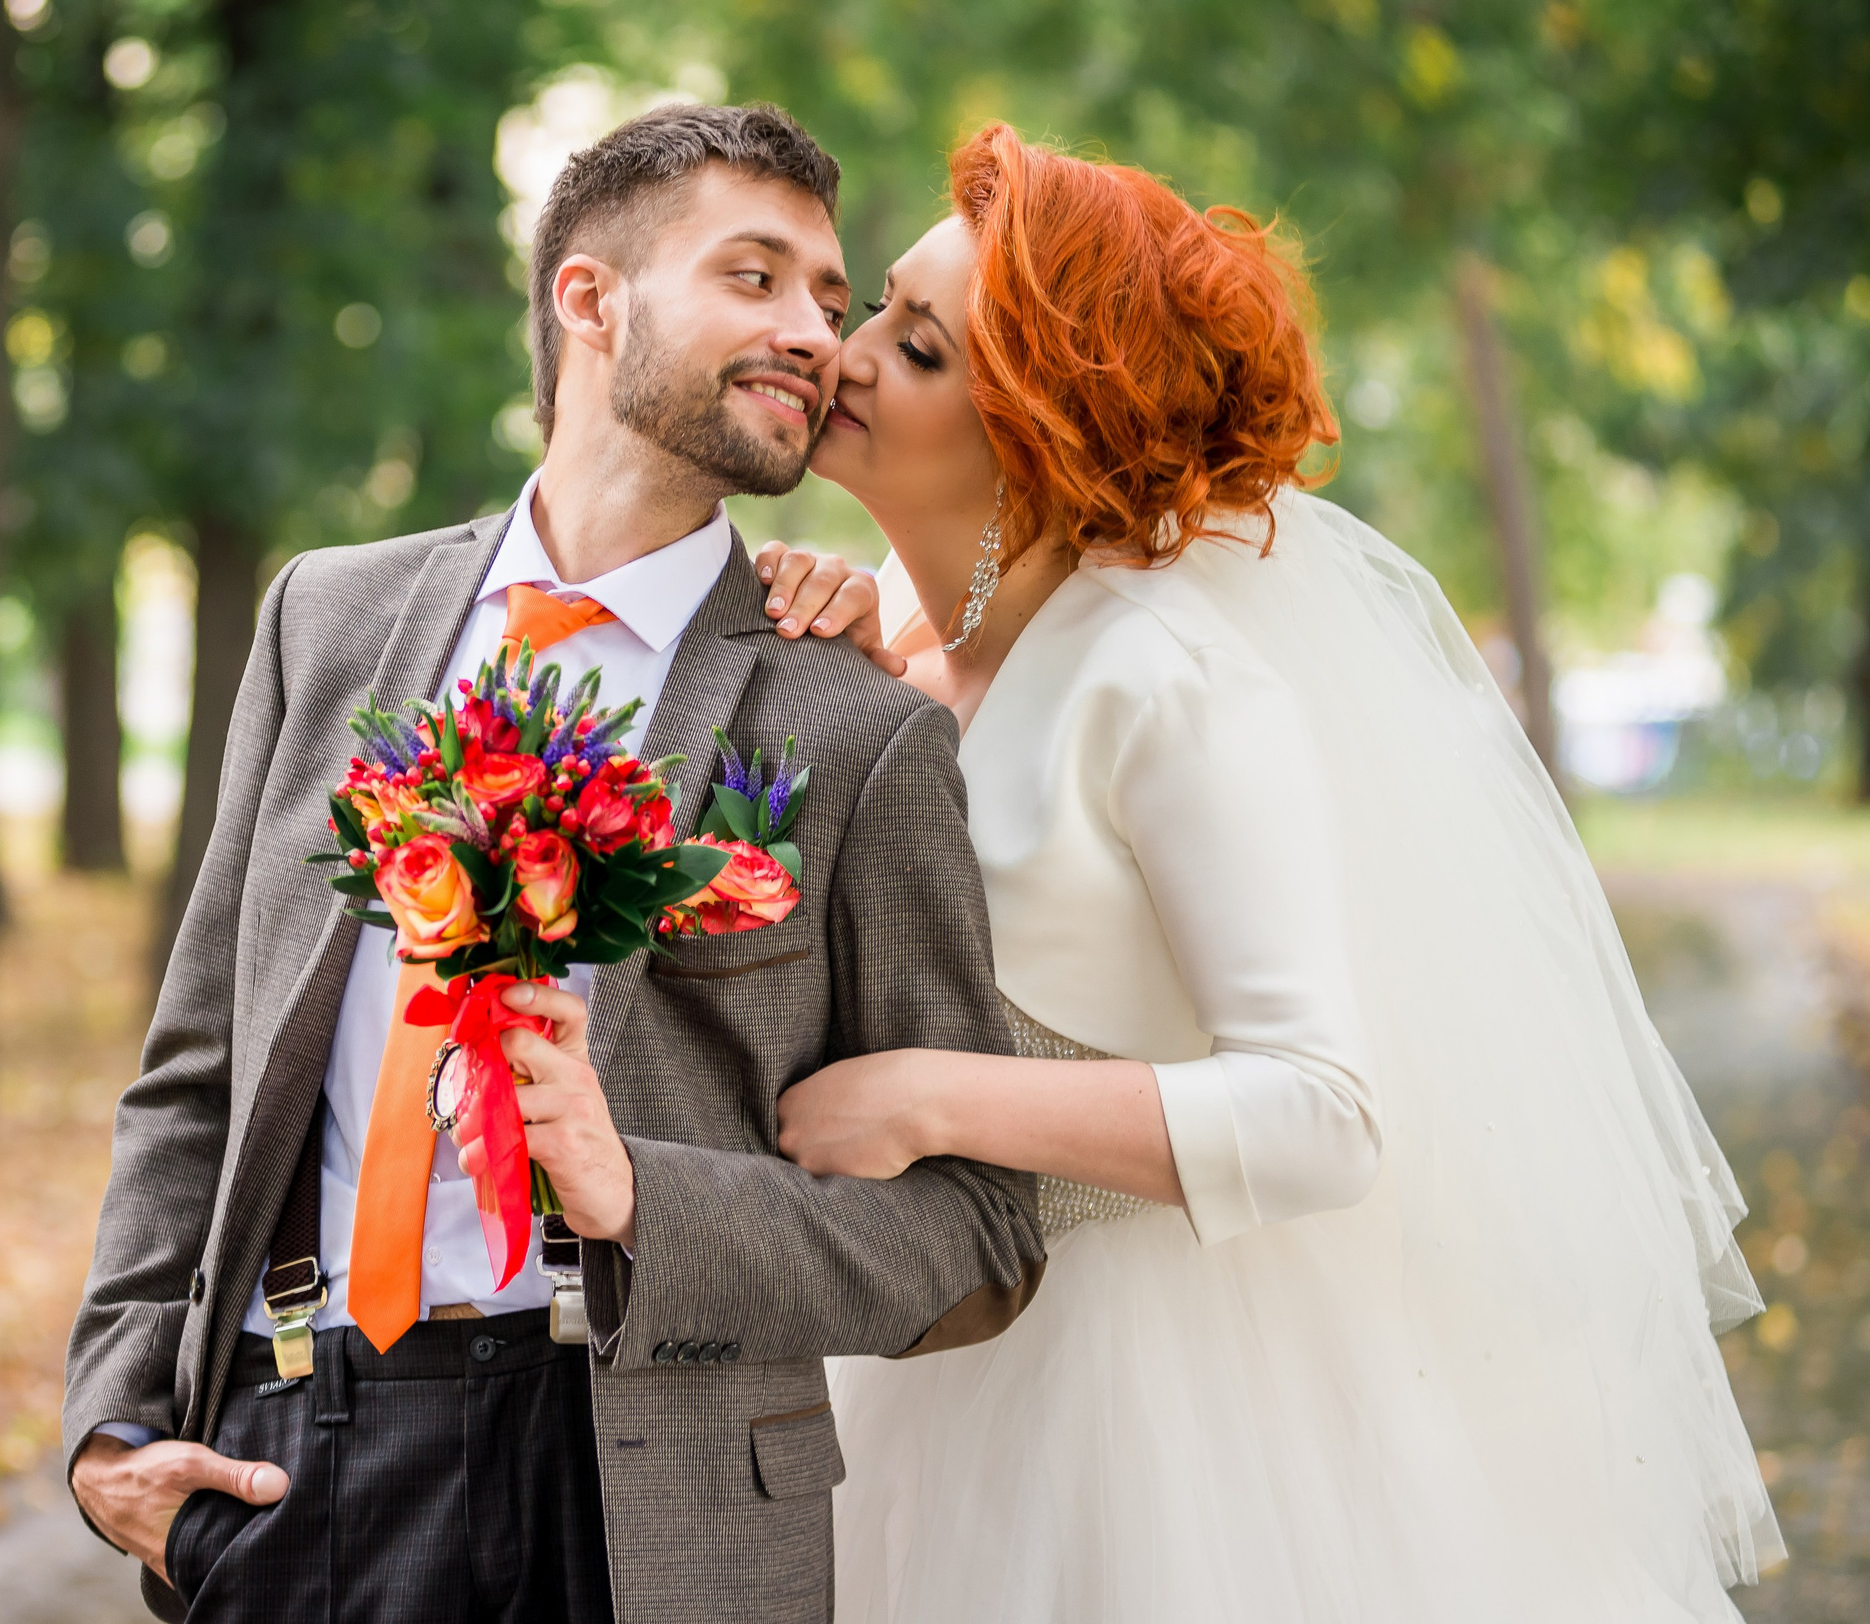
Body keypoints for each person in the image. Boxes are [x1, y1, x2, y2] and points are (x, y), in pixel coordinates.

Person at [751, 123, 1783, 1622]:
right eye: (879, 316)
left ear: (1034, 428)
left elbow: (1322, 1111)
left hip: (1148, 1411)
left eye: (914, 347)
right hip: (926, 1355)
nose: (840, 359)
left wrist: (930, 1099)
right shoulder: (907, 664)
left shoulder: (1165, 683)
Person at [60, 103, 1042, 1624]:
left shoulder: (850, 729)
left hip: (651, 1508)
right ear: (592, 300)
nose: (818, 338)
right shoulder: (324, 620)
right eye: (758, 277)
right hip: (287, 1472)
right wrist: (113, 1425)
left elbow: (981, 1238)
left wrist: (645, 1196)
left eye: (834, 304)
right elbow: (199, 1062)